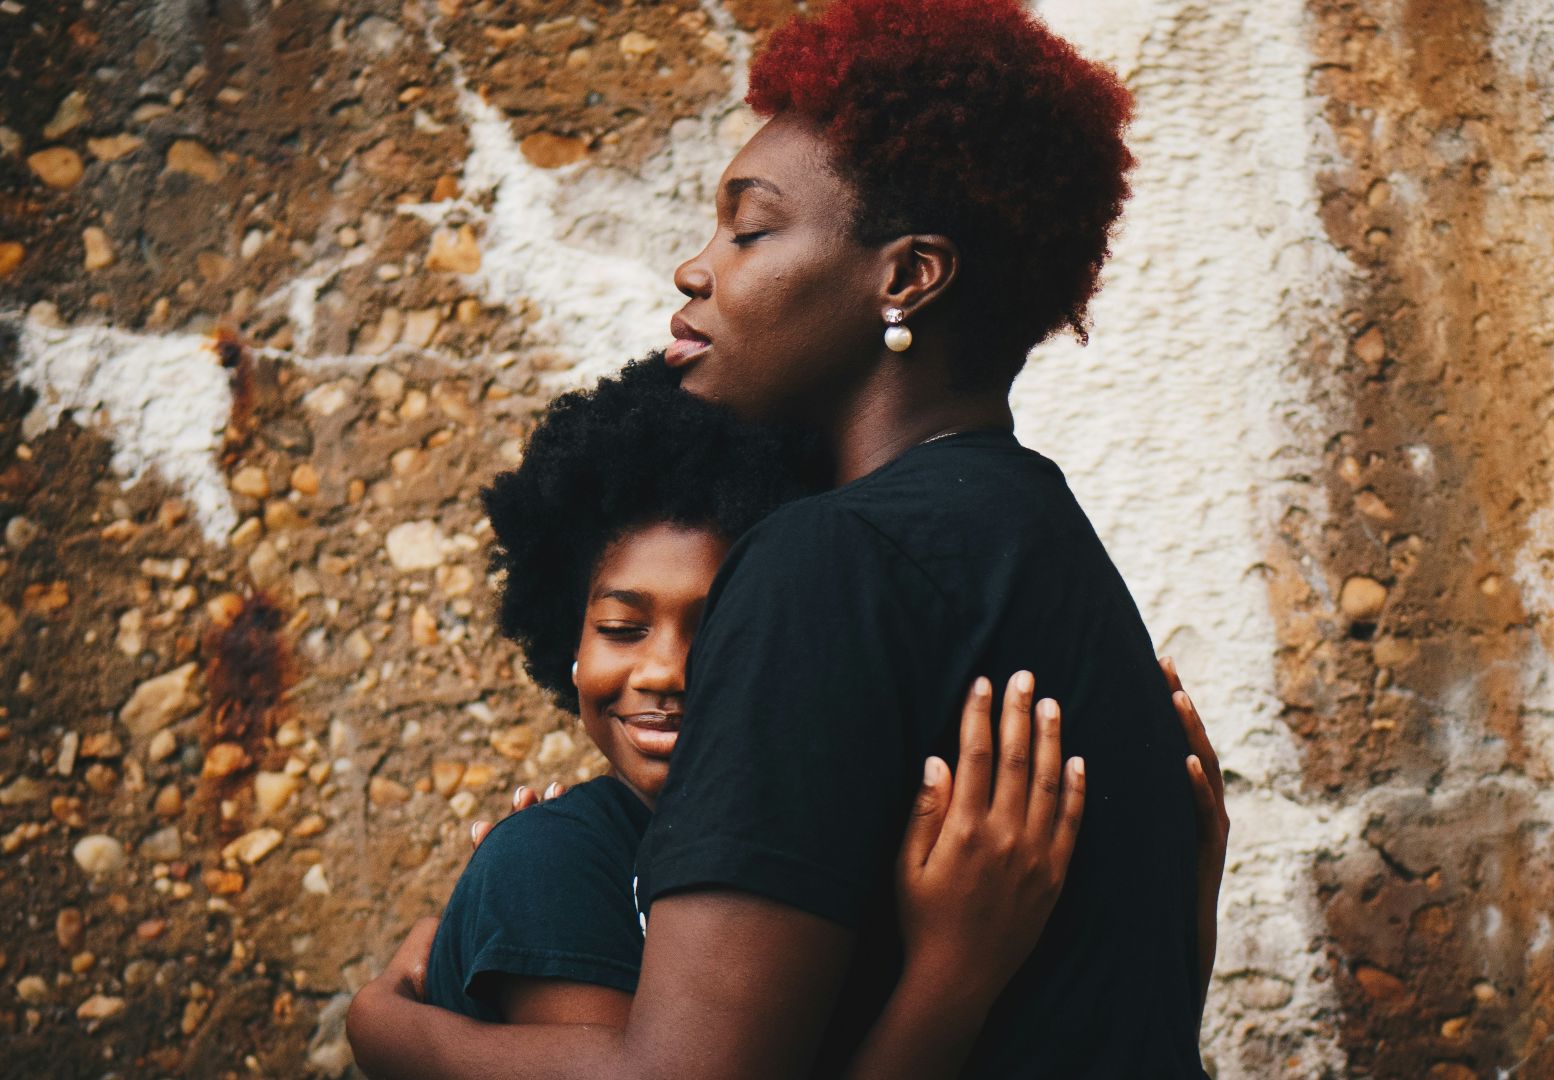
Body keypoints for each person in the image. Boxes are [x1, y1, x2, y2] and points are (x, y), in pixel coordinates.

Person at [347, 0, 1226, 1075]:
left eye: (750, 230)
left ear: (906, 278)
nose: (696, 269)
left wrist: (398, 1033)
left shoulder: (827, 562)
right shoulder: (1046, 549)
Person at [422, 357, 1099, 1077]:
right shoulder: (551, 863)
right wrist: (953, 974)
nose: (664, 672)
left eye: (721, 629)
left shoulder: (847, 845)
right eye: (622, 629)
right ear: (569, 646)